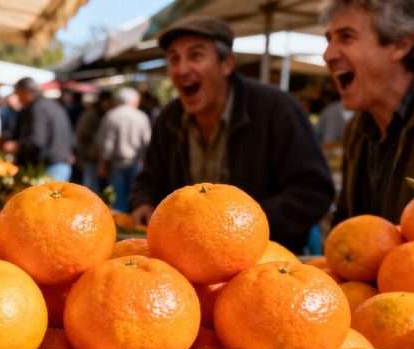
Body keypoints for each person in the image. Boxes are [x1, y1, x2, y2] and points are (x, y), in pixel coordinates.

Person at [129, 16, 335, 253]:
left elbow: (313, 191)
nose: (182, 69)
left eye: (195, 55)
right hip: (187, 265)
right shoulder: (169, 118)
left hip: (265, 267)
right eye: (174, 59)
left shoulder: (275, 108)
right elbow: (149, 178)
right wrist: (143, 202)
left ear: (227, 64)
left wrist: (241, 227)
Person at [321, 0, 414, 225]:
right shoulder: (358, 129)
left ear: (401, 44)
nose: (327, 55)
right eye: (329, 39)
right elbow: (348, 229)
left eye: (346, 37)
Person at [3, 77, 75, 181]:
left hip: (50, 167)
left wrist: (16, 146)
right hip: (61, 163)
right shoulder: (51, 104)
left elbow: (36, 140)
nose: (19, 100)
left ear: (25, 92)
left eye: (18, 95)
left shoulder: (38, 108)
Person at [95, 87, 151, 212]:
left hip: (117, 165)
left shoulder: (111, 116)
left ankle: (121, 227)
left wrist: (103, 163)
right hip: (137, 164)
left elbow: (106, 145)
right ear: (134, 101)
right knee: (137, 200)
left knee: (118, 203)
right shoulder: (141, 116)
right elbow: (147, 143)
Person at [75, 90, 115, 193]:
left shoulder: (100, 113)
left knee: (95, 187)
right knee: (91, 188)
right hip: (90, 156)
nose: (112, 105)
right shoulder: (92, 115)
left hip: (94, 156)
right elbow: (82, 135)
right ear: (104, 101)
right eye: (110, 102)